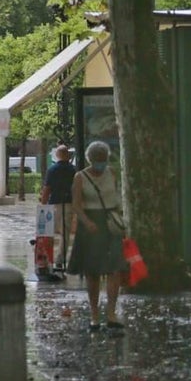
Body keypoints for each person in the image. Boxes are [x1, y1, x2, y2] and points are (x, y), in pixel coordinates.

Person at [68, 140, 128, 331]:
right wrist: (87, 222)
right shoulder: (80, 177)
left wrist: (121, 219)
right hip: (91, 226)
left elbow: (117, 197)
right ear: (90, 159)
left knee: (114, 269)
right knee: (92, 272)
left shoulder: (111, 173)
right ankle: (94, 315)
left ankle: (111, 313)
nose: (101, 163)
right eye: (98, 159)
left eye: (103, 159)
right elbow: (76, 204)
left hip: (111, 224)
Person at [37, 143, 76, 282]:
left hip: (54, 204)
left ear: (57, 155)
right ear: (67, 155)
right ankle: (60, 259)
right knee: (65, 233)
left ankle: (48, 259)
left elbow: (47, 189)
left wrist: (43, 204)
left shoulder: (52, 170)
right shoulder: (74, 170)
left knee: (49, 233)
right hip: (69, 204)